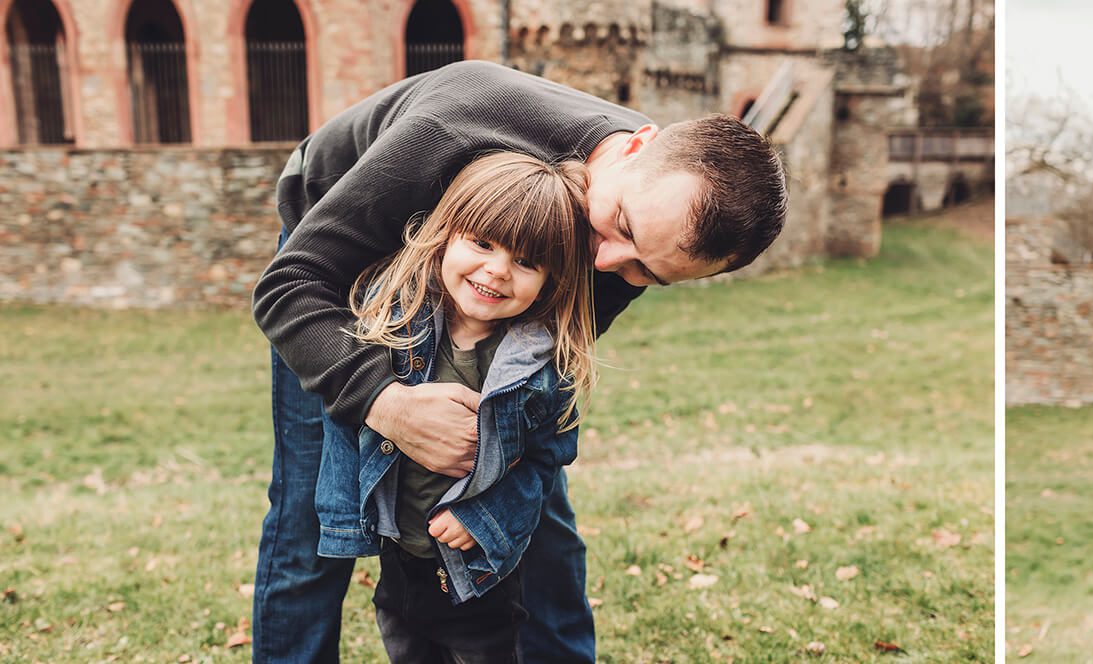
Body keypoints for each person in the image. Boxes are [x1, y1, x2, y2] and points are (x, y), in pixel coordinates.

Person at [251, 60, 787, 663]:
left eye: (646, 273)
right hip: (335, 258)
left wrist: (501, 468)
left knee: (534, 496)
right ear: (636, 146)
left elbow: (540, 392)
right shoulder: (452, 126)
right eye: (621, 227)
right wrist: (386, 402)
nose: (608, 263)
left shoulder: (648, 230)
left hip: (477, 282)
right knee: (310, 507)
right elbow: (288, 287)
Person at [314, 151, 600, 662]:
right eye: (483, 243)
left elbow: (544, 461)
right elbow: (344, 400)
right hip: (399, 561)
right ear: (446, 233)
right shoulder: (392, 317)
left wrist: (484, 515)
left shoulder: (539, 366)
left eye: (526, 261)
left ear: (551, 280)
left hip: (478, 572)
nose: (497, 270)